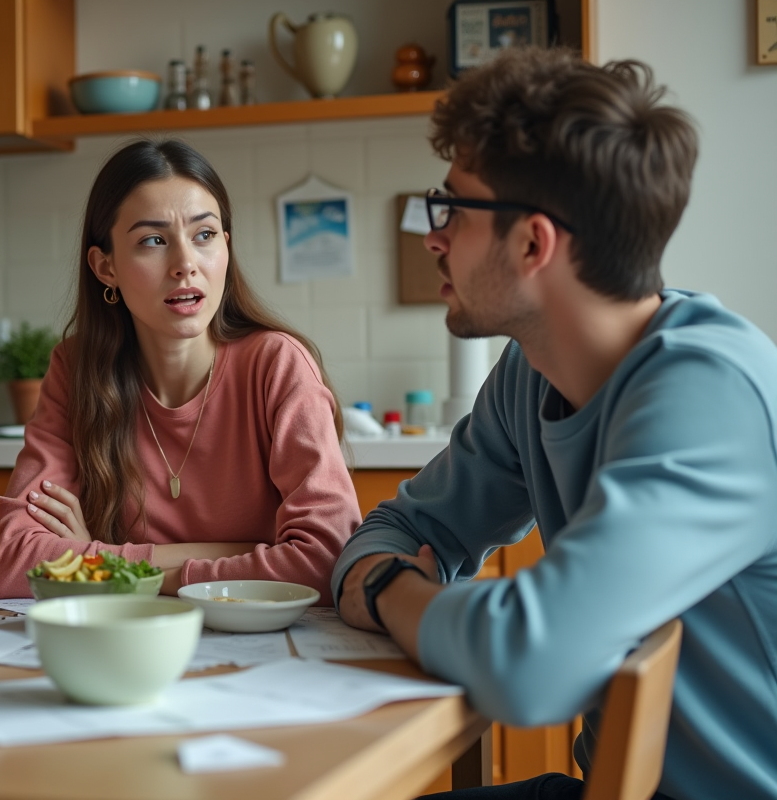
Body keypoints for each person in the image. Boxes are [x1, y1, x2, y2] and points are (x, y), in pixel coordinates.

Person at [333, 48, 777, 800]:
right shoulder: (529, 375)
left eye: (453, 208)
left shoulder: (711, 394)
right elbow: (396, 530)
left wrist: (384, 592)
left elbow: (527, 666)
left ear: (534, 242)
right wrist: (385, 569)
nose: (432, 237)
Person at [0, 139, 361, 599]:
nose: (185, 264)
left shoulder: (276, 365)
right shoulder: (76, 370)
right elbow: (11, 563)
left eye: (204, 235)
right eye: (153, 241)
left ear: (226, 247)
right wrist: (244, 552)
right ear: (106, 267)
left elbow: (328, 557)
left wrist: (103, 562)